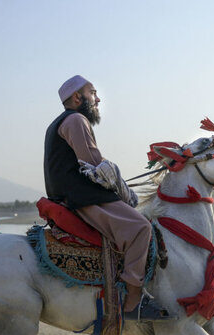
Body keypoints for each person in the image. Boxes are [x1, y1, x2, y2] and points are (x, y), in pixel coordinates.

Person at [44, 75, 170, 321]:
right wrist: (123, 191)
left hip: (72, 194)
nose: (98, 98)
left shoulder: (59, 122)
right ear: (78, 97)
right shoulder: (76, 119)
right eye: (93, 92)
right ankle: (133, 302)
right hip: (82, 197)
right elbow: (93, 163)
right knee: (141, 228)